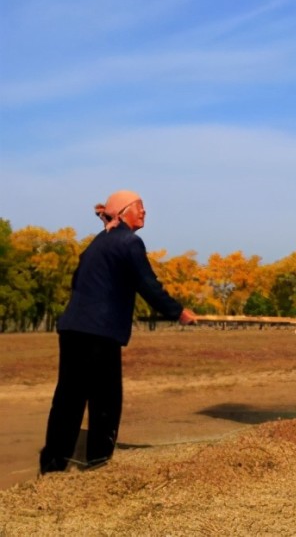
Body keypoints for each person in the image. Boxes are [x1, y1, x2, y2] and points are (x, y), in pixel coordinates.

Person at [39, 190, 198, 474]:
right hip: (100, 333)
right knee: (106, 399)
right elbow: (148, 285)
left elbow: (78, 282)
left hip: (73, 329)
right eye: (140, 207)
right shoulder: (130, 243)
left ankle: (53, 464)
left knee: (68, 399)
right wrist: (178, 312)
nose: (144, 212)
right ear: (124, 212)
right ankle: (98, 463)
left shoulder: (97, 244)